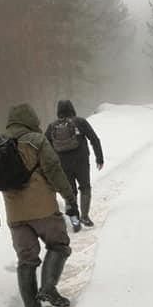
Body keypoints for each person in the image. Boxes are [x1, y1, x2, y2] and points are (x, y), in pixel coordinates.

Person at [0, 103, 79, 307]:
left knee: (26, 260)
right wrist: (70, 199)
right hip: (43, 209)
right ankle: (48, 288)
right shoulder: (37, 141)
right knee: (59, 245)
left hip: (15, 216)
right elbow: (54, 169)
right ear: (30, 119)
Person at [45, 99, 104, 231]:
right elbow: (94, 139)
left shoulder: (52, 126)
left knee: (69, 192)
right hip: (81, 161)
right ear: (72, 108)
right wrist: (99, 158)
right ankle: (84, 216)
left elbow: (45, 146)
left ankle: (75, 221)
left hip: (63, 165)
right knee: (85, 187)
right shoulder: (80, 122)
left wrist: (49, 165)